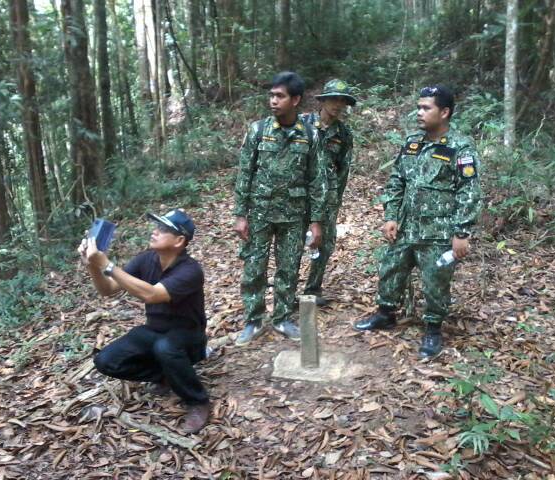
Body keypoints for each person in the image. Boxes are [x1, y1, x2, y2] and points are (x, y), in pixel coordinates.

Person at [353, 85, 482, 358]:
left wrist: (462, 232)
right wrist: (390, 215)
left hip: (437, 231)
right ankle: (386, 313)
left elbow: (469, 192)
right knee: (391, 269)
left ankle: (433, 329)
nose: (419, 112)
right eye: (419, 107)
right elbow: (397, 180)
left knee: (435, 280)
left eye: (426, 108)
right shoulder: (413, 143)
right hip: (406, 227)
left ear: (444, 112)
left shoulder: (460, 147)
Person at [78, 209, 211, 433]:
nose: (155, 231)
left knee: (166, 347)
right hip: (155, 330)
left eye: (163, 229)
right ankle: (167, 375)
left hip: (188, 336)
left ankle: (198, 401)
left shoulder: (191, 270)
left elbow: (151, 294)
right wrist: (93, 264)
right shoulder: (146, 259)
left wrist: (107, 265)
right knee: (105, 360)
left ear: (179, 241)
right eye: (156, 226)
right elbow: (108, 289)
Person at [233, 71, 327, 345]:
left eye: (280, 96)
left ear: (295, 100)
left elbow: (317, 179)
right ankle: (254, 319)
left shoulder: (309, 135)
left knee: (288, 268)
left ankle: (282, 317)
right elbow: (245, 173)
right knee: (254, 268)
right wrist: (240, 215)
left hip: (294, 215)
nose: (273, 101)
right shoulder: (258, 130)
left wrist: (316, 221)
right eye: (271, 95)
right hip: (260, 212)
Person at [300, 79, 355, 305]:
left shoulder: (343, 134)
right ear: (323, 101)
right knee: (293, 243)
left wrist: (335, 199)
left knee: (325, 243)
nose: (338, 105)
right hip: (299, 194)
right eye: (333, 99)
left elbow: (343, 170)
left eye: (342, 101)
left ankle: (313, 290)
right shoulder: (302, 124)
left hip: (328, 197)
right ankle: (286, 294)